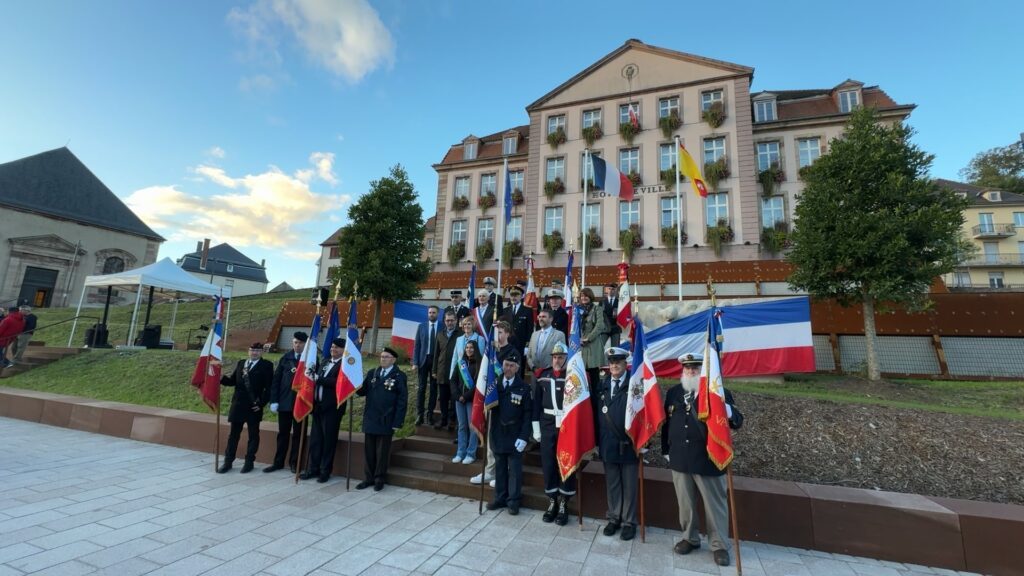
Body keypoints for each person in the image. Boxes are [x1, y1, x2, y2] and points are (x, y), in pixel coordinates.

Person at [662, 353, 745, 567]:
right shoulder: (673, 393)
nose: (691, 371)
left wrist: (727, 410)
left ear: (703, 370)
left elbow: (737, 422)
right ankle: (690, 538)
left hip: (708, 459)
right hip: (680, 457)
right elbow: (667, 424)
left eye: (696, 368)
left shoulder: (717, 392)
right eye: (687, 368)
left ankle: (718, 545)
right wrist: (665, 449)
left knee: (714, 505)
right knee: (685, 503)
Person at [532, 342, 579, 525]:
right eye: (555, 357)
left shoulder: (572, 377)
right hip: (547, 424)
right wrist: (536, 429)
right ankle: (552, 500)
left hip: (566, 425)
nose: (557, 360)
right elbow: (536, 404)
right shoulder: (543, 375)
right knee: (549, 462)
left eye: (560, 357)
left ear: (566, 358)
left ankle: (564, 503)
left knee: (565, 462)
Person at [597, 347, 639, 541]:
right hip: (608, 443)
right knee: (612, 483)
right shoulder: (603, 384)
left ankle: (629, 522)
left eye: (618, 362)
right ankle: (614, 517)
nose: (614, 365)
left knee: (629, 485)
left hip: (629, 444)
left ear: (625, 364)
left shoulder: (635, 384)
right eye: (612, 362)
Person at [486, 351, 532, 515]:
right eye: (506, 365)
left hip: (515, 435)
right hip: (498, 433)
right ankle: (500, 498)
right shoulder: (494, 386)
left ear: (517, 368)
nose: (508, 368)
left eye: (512, 366)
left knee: (514, 470)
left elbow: (528, 415)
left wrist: (524, 436)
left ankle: (513, 501)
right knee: (500, 469)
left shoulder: (524, 388)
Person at [356, 347, 408, 491]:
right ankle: (368, 478)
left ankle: (379, 478)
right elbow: (363, 391)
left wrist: (398, 421)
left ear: (393, 359)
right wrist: (354, 383)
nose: (383, 359)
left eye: (386, 357)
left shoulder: (399, 375)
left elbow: (402, 401)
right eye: (381, 357)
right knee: (369, 450)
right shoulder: (373, 373)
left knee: (382, 452)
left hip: (387, 419)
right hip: (371, 417)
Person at [217, 342, 273, 473]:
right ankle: (228, 462)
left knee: (253, 435)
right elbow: (232, 381)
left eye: (257, 351)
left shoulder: (266, 366)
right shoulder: (242, 363)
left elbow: (269, 388)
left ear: (261, 352)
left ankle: (249, 462)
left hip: (254, 406)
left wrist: (261, 404)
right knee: (233, 435)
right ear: (249, 351)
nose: (254, 353)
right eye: (252, 350)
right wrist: (221, 378)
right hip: (238, 404)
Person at [301, 337, 347, 483]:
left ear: (343, 350)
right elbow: (316, 378)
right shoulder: (326, 362)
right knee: (316, 439)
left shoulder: (345, 365)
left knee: (328, 441)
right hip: (318, 406)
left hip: (332, 408)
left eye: (337, 347)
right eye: (332, 347)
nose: (333, 349)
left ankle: (325, 471)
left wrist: (318, 378)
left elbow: (338, 383)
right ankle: (313, 469)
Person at [265, 331, 306, 473]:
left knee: (298, 435)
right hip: (284, 403)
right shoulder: (285, 358)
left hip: (301, 404)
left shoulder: (310, 360)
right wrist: (274, 400)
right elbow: (275, 381)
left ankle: (295, 463)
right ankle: (278, 462)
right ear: (292, 343)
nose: (297, 345)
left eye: (300, 343)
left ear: (305, 344)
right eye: (295, 342)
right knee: (283, 434)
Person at [452, 340, 480, 465]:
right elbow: (453, 381)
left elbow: (479, 385)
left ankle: (470, 453)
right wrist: (458, 396)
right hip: (459, 400)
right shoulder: (460, 363)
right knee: (462, 426)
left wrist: (466, 396)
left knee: (472, 427)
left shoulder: (479, 364)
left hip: (471, 400)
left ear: (475, 349)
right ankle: (460, 452)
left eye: (471, 348)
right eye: (467, 347)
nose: (469, 350)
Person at [413, 305, 440, 426]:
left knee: (434, 389)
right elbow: (417, 345)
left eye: (433, 312)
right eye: (430, 312)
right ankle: (420, 415)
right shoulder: (421, 326)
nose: (431, 314)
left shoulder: (442, 327)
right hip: (423, 360)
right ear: (427, 314)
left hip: (436, 361)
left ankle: (430, 415)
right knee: (422, 388)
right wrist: (415, 362)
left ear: (437, 314)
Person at [431, 311, 459, 430]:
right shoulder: (440, 334)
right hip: (442, 371)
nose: (450, 322)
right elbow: (436, 354)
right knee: (443, 398)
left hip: (455, 373)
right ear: (444, 321)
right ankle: (443, 419)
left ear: (456, 321)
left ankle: (452, 421)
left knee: (453, 399)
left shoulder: (461, 334)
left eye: (452, 320)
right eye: (447, 320)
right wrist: (434, 370)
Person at [526, 309, 566, 378]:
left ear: (551, 319)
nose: (541, 319)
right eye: (540, 317)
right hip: (535, 374)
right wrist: (533, 368)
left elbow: (561, 356)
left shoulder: (559, 335)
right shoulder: (534, 334)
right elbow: (529, 355)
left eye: (544, 317)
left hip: (550, 374)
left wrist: (548, 370)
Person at [499, 285, 534, 355]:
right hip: (507, 344)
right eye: (512, 295)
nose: (513, 297)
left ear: (521, 296)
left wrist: (527, 345)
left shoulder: (528, 310)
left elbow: (530, 329)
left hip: (521, 344)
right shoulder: (505, 310)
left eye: (516, 295)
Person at [602, 283, 622, 348]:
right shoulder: (602, 302)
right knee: (600, 346)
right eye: (609, 289)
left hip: (615, 328)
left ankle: (614, 358)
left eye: (613, 289)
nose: (611, 290)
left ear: (615, 290)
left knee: (615, 348)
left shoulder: (620, 302)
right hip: (605, 328)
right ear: (606, 290)